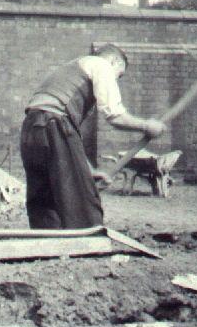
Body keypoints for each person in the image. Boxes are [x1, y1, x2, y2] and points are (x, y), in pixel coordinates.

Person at [20, 43, 166, 229]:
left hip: (30, 128)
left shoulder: (70, 69)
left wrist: (88, 169)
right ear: (114, 61)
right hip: (54, 124)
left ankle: (46, 240)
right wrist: (147, 126)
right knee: (81, 195)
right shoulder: (101, 65)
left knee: (43, 196)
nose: (116, 80)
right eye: (119, 75)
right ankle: (89, 238)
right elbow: (114, 115)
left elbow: (69, 137)